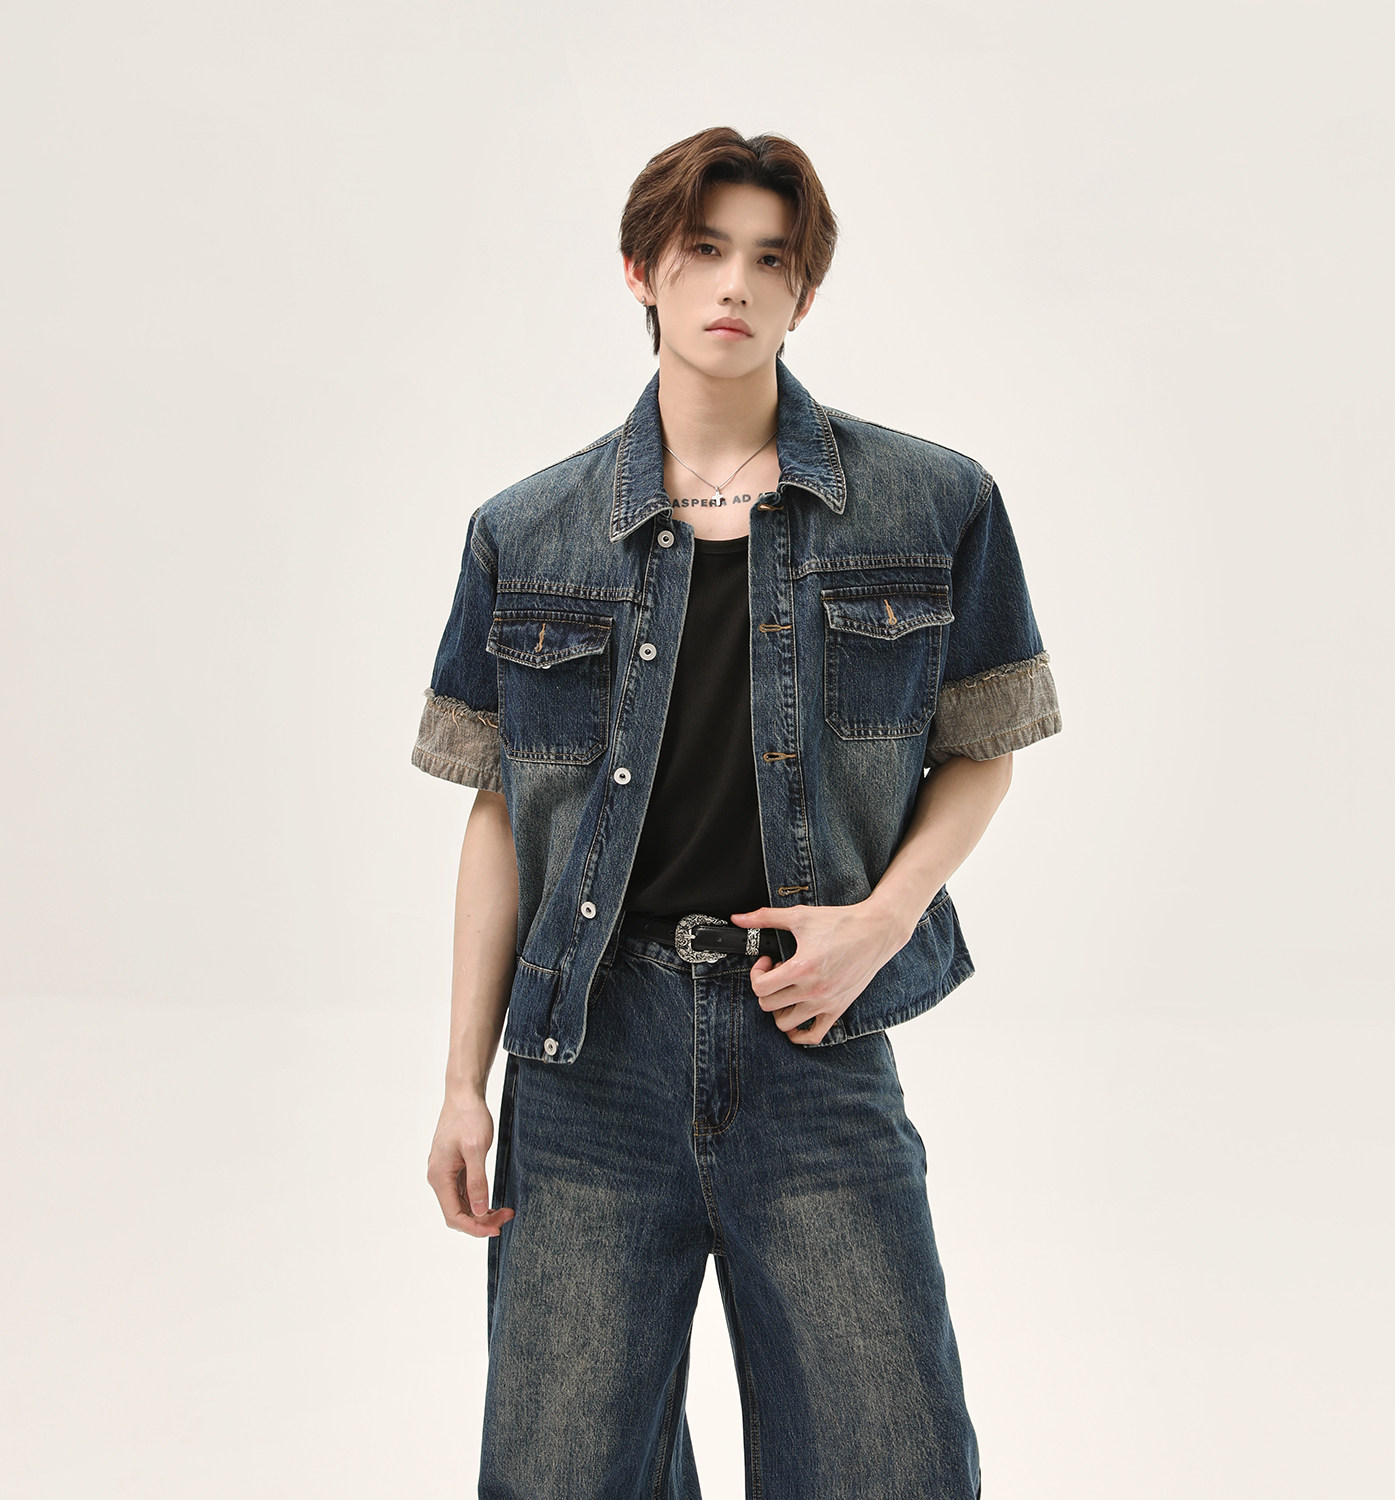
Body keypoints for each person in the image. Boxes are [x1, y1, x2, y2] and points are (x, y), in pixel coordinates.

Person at [411, 125, 1061, 1500]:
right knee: (559, 1476)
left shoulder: (931, 502)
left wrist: (879, 925)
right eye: (705, 250)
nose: (735, 286)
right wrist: (463, 1084)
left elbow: (981, 749)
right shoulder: (525, 532)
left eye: (772, 260)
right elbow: (498, 818)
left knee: (888, 1465)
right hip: (587, 1066)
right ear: (640, 269)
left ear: (804, 292)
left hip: (812, 1046)